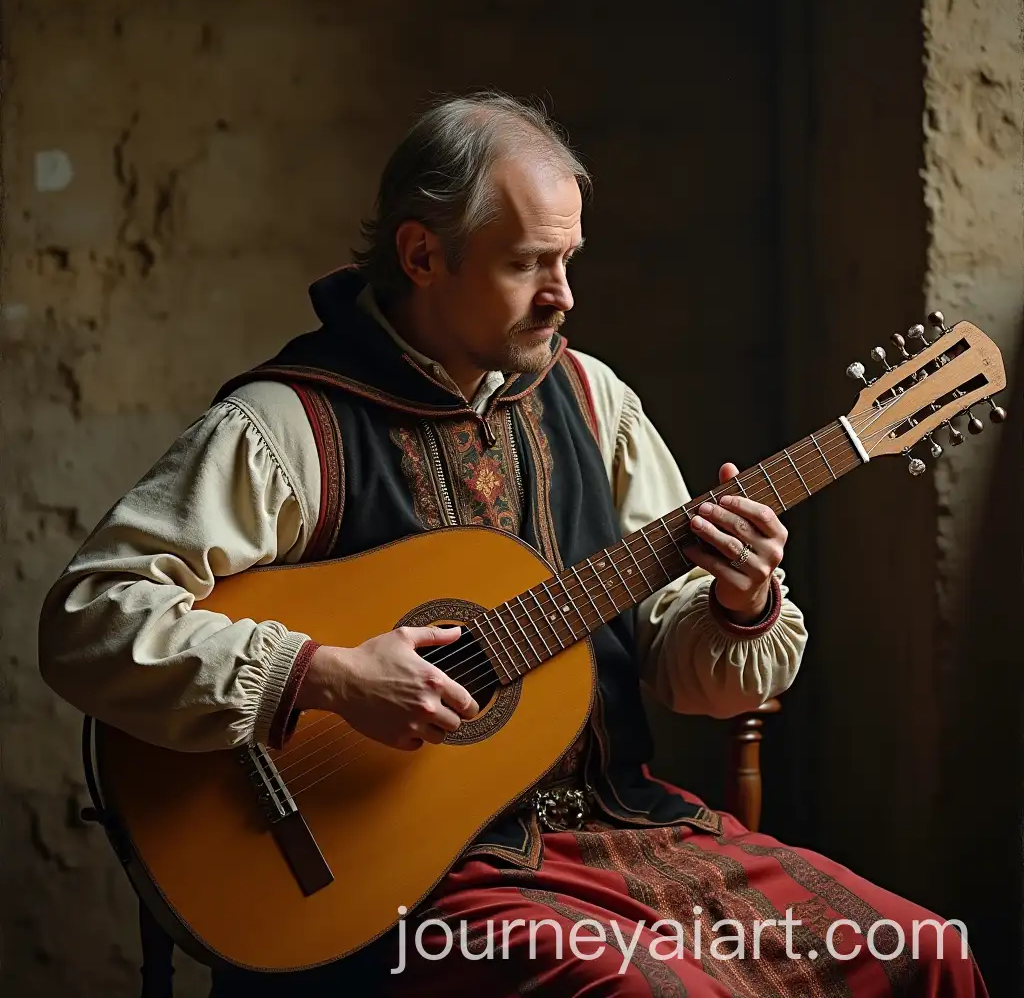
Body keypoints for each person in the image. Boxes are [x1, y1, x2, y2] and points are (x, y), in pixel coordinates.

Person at [38, 92, 986, 996]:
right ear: (421, 254)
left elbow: (687, 666)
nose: (562, 296)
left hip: (626, 831)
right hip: (433, 881)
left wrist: (741, 605)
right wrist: (322, 675)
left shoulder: (593, 401)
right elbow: (91, 618)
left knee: (926, 957)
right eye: (528, 264)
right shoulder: (287, 428)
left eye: (570, 260)